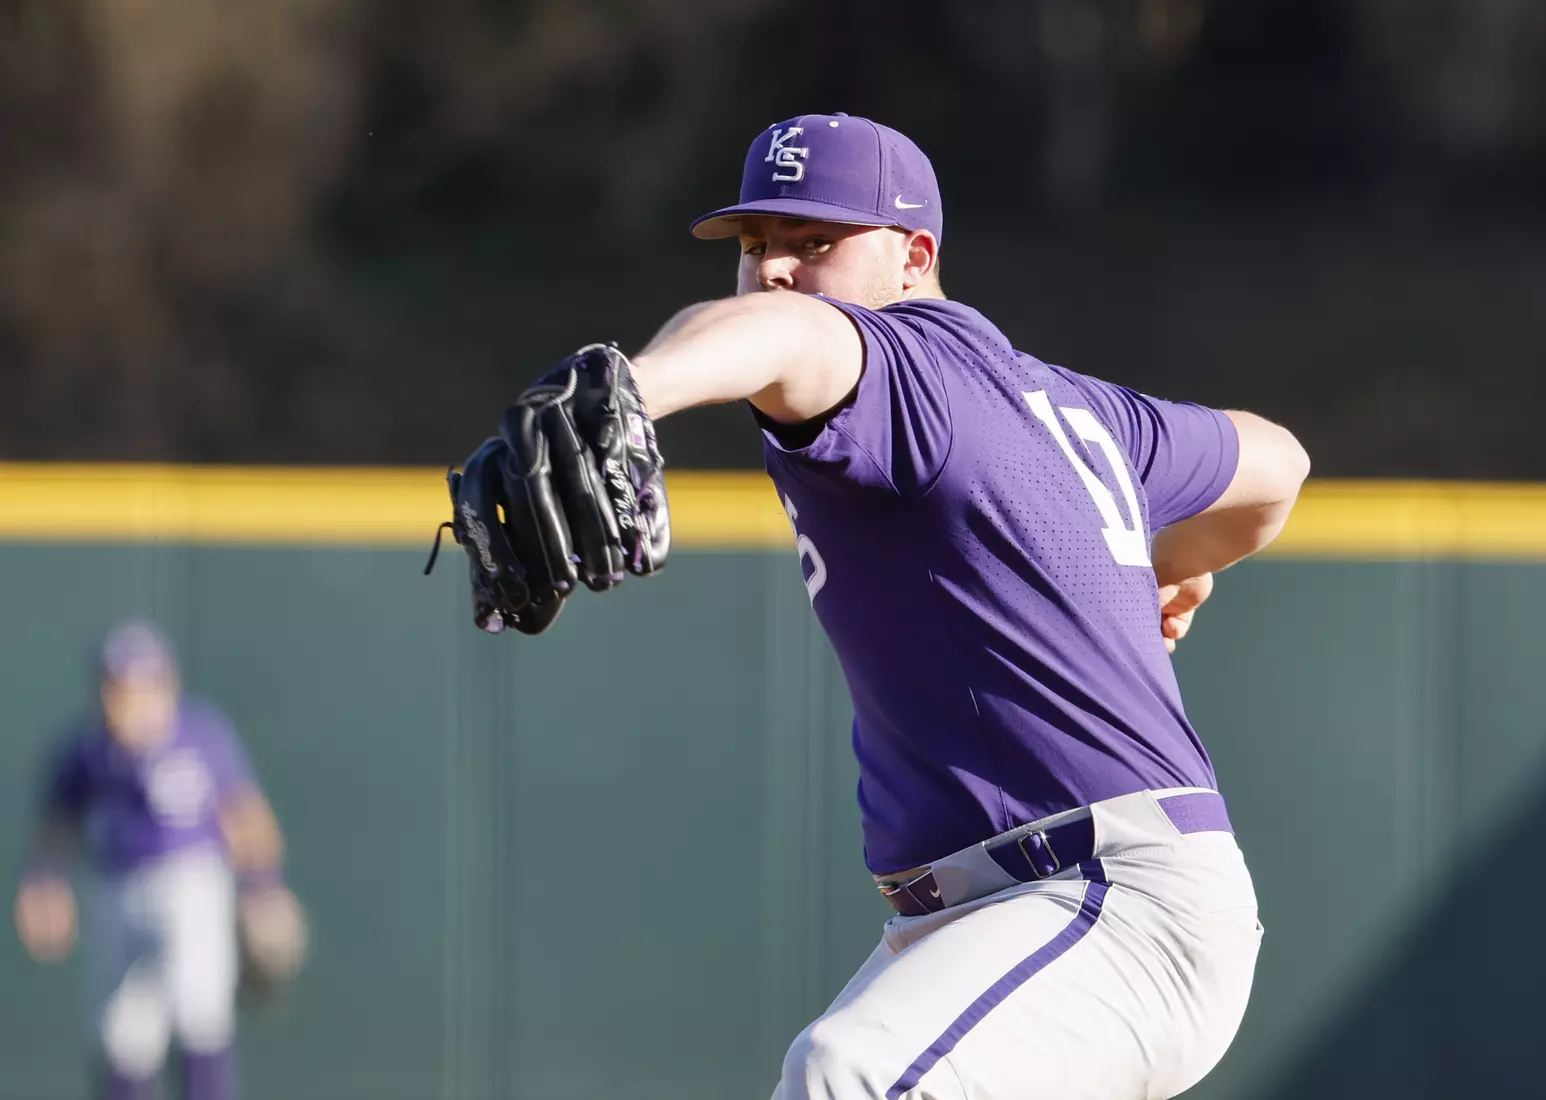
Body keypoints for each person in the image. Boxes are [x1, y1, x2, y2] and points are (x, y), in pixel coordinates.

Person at [440, 112, 1310, 1099]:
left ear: (915, 256)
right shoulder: (1078, 407)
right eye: (758, 244)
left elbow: (787, 333)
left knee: (849, 1074)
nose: (775, 268)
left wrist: (637, 384)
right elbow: (1276, 461)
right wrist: (1177, 556)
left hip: (1103, 898)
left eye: (816, 241)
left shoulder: (904, 371)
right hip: (1014, 917)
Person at [13, 621, 305, 1100]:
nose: (123, 698)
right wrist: (42, 881)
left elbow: (247, 817)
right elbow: (55, 825)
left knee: (198, 1010)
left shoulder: (200, 734)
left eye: (135, 684)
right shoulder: (85, 749)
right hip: (114, 887)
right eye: (114, 685)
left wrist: (264, 889)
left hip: (191, 883)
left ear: (165, 683)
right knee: (122, 1032)